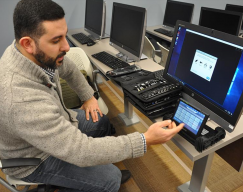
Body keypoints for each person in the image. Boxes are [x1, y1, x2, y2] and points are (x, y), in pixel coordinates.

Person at [0, 0, 184, 192]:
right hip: (35, 159)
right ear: (28, 44)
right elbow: (80, 150)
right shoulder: (20, 98)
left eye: (64, 36)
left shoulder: (28, 54)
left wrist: (88, 97)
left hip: (51, 128)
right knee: (110, 180)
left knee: (100, 121)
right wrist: (145, 139)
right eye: (56, 40)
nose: (66, 47)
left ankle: (85, 178)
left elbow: (68, 68)